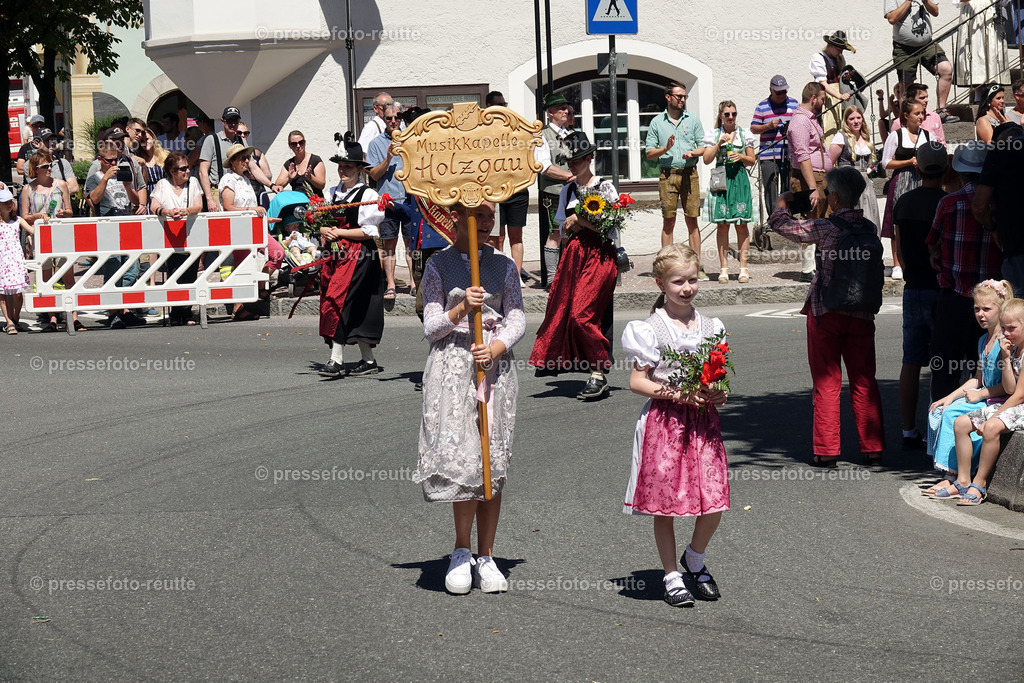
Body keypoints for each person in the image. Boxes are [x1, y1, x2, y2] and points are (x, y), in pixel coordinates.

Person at [413, 200, 525, 595]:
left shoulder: (505, 265)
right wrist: (461, 307)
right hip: (452, 367)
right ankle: (461, 551)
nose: (489, 219)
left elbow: (517, 316)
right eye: (479, 213)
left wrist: (496, 347)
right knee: (464, 459)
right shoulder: (438, 266)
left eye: (491, 212)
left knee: (490, 460)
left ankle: (488, 554)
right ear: (457, 217)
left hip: (492, 366)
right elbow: (431, 327)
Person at [621, 243, 730, 607]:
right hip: (666, 423)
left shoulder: (711, 326)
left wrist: (718, 393)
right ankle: (671, 574)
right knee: (665, 504)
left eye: (692, 280)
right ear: (660, 284)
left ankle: (694, 557)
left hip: (703, 423)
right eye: (678, 281)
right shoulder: (651, 328)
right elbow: (638, 382)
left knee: (713, 501)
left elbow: (719, 379)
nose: (686, 288)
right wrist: (678, 394)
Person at [770, 167, 886, 466]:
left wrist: (783, 201)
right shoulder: (869, 230)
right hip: (862, 313)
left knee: (827, 380)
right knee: (864, 380)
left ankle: (827, 450)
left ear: (833, 197)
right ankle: (872, 446)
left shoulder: (824, 228)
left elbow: (780, 225)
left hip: (826, 310)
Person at [529, 131, 619, 401]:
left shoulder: (605, 187)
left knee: (583, 315)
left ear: (589, 158)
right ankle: (585, 369)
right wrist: (557, 269)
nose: (572, 164)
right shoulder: (567, 189)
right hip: (574, 256)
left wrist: (579, 220)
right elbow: (561, 231)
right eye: (569, 159)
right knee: (563, 312)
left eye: (577, 159)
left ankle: (599, 371)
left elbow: (611, 227)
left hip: (600, 255)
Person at [925, 280, 1015, 498]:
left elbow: (1007, 386)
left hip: (998, 399)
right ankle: (950, 473)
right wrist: (949, 397)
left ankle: (955, 475)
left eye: (986, 309)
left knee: (954, 415)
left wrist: (981, 394)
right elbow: (977, 378)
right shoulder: (983, 340)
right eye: (976, 309)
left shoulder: (1006, 342)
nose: (980, 314)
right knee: (941, 409)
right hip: (986, 396)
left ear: (1001, 307)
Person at [927, 142, 1003, 400]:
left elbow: (932, 243)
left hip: (954, 298)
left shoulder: (948, 203)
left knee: (945, 370)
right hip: (992, 301)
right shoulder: (1001, 205)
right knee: (984, 370)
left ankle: (939, 424)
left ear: (960, 172)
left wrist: (936, 255)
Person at [485, 90, 573, 283]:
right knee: (497, 238)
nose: (502, 108)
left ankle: (515, 277)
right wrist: (570, 175)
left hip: (518, 189)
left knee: (518, 236)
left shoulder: (517, 130)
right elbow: (543, 166)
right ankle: (501, 277)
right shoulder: (483, 132)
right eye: (498, 104)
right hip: (495, 190)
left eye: (504, 104)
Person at [893, 142, 947, 449]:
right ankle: (937, 429)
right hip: (942, 287)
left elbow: (899, 247)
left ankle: (907, 428)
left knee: (911, 361)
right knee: (943, 361)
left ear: (917, 167)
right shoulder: (947, 201)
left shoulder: (904, 202)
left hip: (913, 286)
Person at [317, 142, 385, 378]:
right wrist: (324, 229)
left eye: (348, 166)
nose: (342, 170)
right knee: (355, 304)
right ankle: (368, 360)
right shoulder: (332, 193)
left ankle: (336, 359)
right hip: (335, 255)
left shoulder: (367, 195)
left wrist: (340, 232)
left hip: (359, 255)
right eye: (340, 166)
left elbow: (370, 231)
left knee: (340, 299)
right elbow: (321, 223)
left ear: (359, 169)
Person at [951, 297, 1024, 505]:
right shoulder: (1013, 348)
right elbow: (1009, 388)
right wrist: (1006, 356)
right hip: (1015, 402)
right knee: (961, 423)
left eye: (1012, 328)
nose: (1006, 333)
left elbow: (1019, 395)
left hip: (1020, 404)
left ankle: (979, 483)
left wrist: (994, 416)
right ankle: (963, 480)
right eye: (1004, 328)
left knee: (991, 428)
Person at [645, 82, 707, 277]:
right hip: (667, 174)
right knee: (668, 221)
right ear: (668, 97)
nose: (682, 100)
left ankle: (696, 267)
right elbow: (649, 153)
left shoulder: (692, 119)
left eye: (684, 97)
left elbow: (703, 146)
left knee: (692, 220)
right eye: (678, 96)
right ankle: (666, 267)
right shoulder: (657, 122)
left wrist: (693, 153)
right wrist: (666, 148)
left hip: (690, 174)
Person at [21, 150, 82, 333]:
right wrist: (38, 216)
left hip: (61, 235)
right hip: (41, 238)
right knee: (46, 278)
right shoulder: (28, 189)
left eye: (51, 165)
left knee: (68, 276)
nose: (50, 169)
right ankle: (52, 319)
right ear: (36, 169)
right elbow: (24, 216)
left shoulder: (61, 185)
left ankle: (75, 318)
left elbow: (70, 210)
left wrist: (65, 213)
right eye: (45, 166)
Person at [87, 140, 145, 330]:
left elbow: (136, 201)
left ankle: (125, 309)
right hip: (108, 229)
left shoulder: (121, 175)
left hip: (126, 226)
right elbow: (93, 200)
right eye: (109, 161)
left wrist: (128, 187)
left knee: (131, 270)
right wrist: (105, 179)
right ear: (100, 160)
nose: (113, 165)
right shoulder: (94, 178)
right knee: (114, 269)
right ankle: (113, 313)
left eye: (116, 161)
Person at [219, 143, 280, 321]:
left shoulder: (245, 179)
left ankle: (260, 287)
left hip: (253, 228)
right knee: (241, 268)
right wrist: (254, 210)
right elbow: (229, 207)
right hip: (238, 229)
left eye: (248, 157)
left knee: (277, 253)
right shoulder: (228, 180)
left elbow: (249, 208)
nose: (247, 161)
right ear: (233, 163)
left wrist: (264, 218)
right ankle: (238, 308)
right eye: (243, 158)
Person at [701, 101, 756, 283]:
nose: (731, 117)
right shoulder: (715, 134)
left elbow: (752, 160)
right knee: (722, 225)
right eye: (727, 114)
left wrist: (740, 156)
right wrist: (719, 143)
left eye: (734, 113)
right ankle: (723, 268)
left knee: (741, 225)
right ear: (721, 116)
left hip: (739, 179)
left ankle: (743, 268)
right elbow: (707, 159)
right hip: (722, 180)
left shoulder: (744, 133)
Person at [881, 100, 933, 280]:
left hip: (921, 180)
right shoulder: (896, 136)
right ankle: (897, 263)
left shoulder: (928, 135)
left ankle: (920, 258)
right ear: (906, 116)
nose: (921, 117)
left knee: (922, 220)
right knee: (899, 222)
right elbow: (886, 163)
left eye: (922, 113)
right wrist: (909, 162)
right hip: (902, 180)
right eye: (917, 113)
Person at [151, 151, 203, 326]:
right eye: (182, 169)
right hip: (169, 237)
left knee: (190, 273)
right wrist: (166, 212)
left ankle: (187, 312)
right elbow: (154, 206)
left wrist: (186, 211)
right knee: (173, 272)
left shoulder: (193, 182)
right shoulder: (162, 185)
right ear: (172, 171)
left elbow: (198, 205)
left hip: (190, 235)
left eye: (188, 167)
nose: (187, 171)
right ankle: (175, 311)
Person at [786, 82, 832, 282]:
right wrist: (812, 188)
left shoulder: (810, 119)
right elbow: (803, 157)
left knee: (821, 221)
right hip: (808, 179)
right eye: (822, 99)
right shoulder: (799, 123)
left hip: (820, 177)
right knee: (809, 222)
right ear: (813, 98)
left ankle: (820, 265)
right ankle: (807, 269)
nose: (823, 103)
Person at [884, 0, 959, 122]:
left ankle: (941, 110)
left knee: (946, 69)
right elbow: (892, 18)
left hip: (927, 45)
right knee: (906, 87)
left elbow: (935, 12)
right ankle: (907, 119)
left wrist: (925, 1)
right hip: (904, 48)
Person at [974, 120, 1024, 293]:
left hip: (1016, 244)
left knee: (1018, 309)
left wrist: (992, 227)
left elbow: (979, 206)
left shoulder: (999, 153)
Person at [367, 104, 410, 306]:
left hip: (410, 200)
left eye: (397, 117)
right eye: (389, 118)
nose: (394, 121)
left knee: (412, 244)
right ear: (383, 119)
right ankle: (391, 284)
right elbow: (374, 175)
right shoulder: (376, 144)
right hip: (388, 201)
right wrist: (388, 157)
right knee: (389, 245)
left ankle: (414, 283)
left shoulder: (411, 139)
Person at [538, 92, 576, 288]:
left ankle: (568, 277)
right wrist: (569, 176)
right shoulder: (543, 135)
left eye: (566, 107)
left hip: (572, 191)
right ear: (550, 112)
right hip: (554, 192)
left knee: (572, 233)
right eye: (561, 108)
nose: (565, 111)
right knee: (555, 234)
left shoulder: (569, 134)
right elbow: (544, 167)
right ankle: (553, 280)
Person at [829, 106, 882, 234]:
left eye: (859, 118)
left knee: (869, 215)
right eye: (851, 118)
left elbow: (873, 160)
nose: (856, 121)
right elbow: (829, 163)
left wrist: (871, 168)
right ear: (846, 121)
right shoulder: (841, 137)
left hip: (865, 182)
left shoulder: (866, 136)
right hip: (848, 182)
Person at [749, 75, 798, 213]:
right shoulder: (762, 106)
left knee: (789, 186)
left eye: (784, 92)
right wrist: (768, 126)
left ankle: (789, 216)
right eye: (778, 92)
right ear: (771, 90)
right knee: (771, 187)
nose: (782, 95)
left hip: (789, 153)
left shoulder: (794, 104)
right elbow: (753, 128)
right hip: (768, 154)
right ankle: (773, 218)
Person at [811, 31, 858, 141]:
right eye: (838, 49)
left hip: (841, 94)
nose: (841, 52)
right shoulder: (818, 58)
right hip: (828, 97)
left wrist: (846, 77)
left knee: (844, 127)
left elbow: (840, 77)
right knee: (830, 128)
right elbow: (822, 83)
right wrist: (838, 96)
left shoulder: (840, 58)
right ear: (831, 45)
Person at [953, 0, 1010, 88]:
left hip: (991, 13)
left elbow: (1004, 2)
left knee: (992, 50)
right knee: (975, 52)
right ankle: (978, 95)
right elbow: (958, 1)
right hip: (972, 14)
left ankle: (993, 90)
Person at [0, 188, 32, 334]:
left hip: (15, 260)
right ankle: (9, 321)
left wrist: (44, 220)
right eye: (4, 202)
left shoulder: (18, 221)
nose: (9, 204)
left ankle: (16, 318)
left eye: (10, 201)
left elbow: (34, 231)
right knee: (3, 292)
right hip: (2, 260)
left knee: (18, 294)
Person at [198, 106, 242, 212]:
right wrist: (209, 199)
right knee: (219, 227)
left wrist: (271, 185)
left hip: (237, 190)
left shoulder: (241, 141)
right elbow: (202, 171)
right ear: (223, 121)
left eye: (235, 121)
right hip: (217, 190)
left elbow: (252, 166)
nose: (232, 124)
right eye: (229, 121)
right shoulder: (212, 140)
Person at [272, 130, 325, 196]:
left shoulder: (315, 160)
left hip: (314, 201)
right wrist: (289, 178)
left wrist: (310, 177)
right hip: (297, 202)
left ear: (305, 143)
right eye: (294, 144)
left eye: (301, 142)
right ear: (290, 146)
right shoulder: (289, 164)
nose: (298, 146)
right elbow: (277, 185)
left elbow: (322, 185)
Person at [236, 122, 274, 205]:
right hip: (242, 193)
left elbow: (268, 175)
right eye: (239, 133)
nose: (242, 135)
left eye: (245, 133)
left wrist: (254, 176)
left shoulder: (256, 153)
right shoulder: (231, 155)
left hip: (258, 192)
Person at [16, 114, 46, 181]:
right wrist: (40, 172)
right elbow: (19, 169)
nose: (39, 128)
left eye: (41, 126)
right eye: (36, 126)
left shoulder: (50, 146)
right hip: (30, 185)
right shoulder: (25, 148)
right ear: (31, 127)